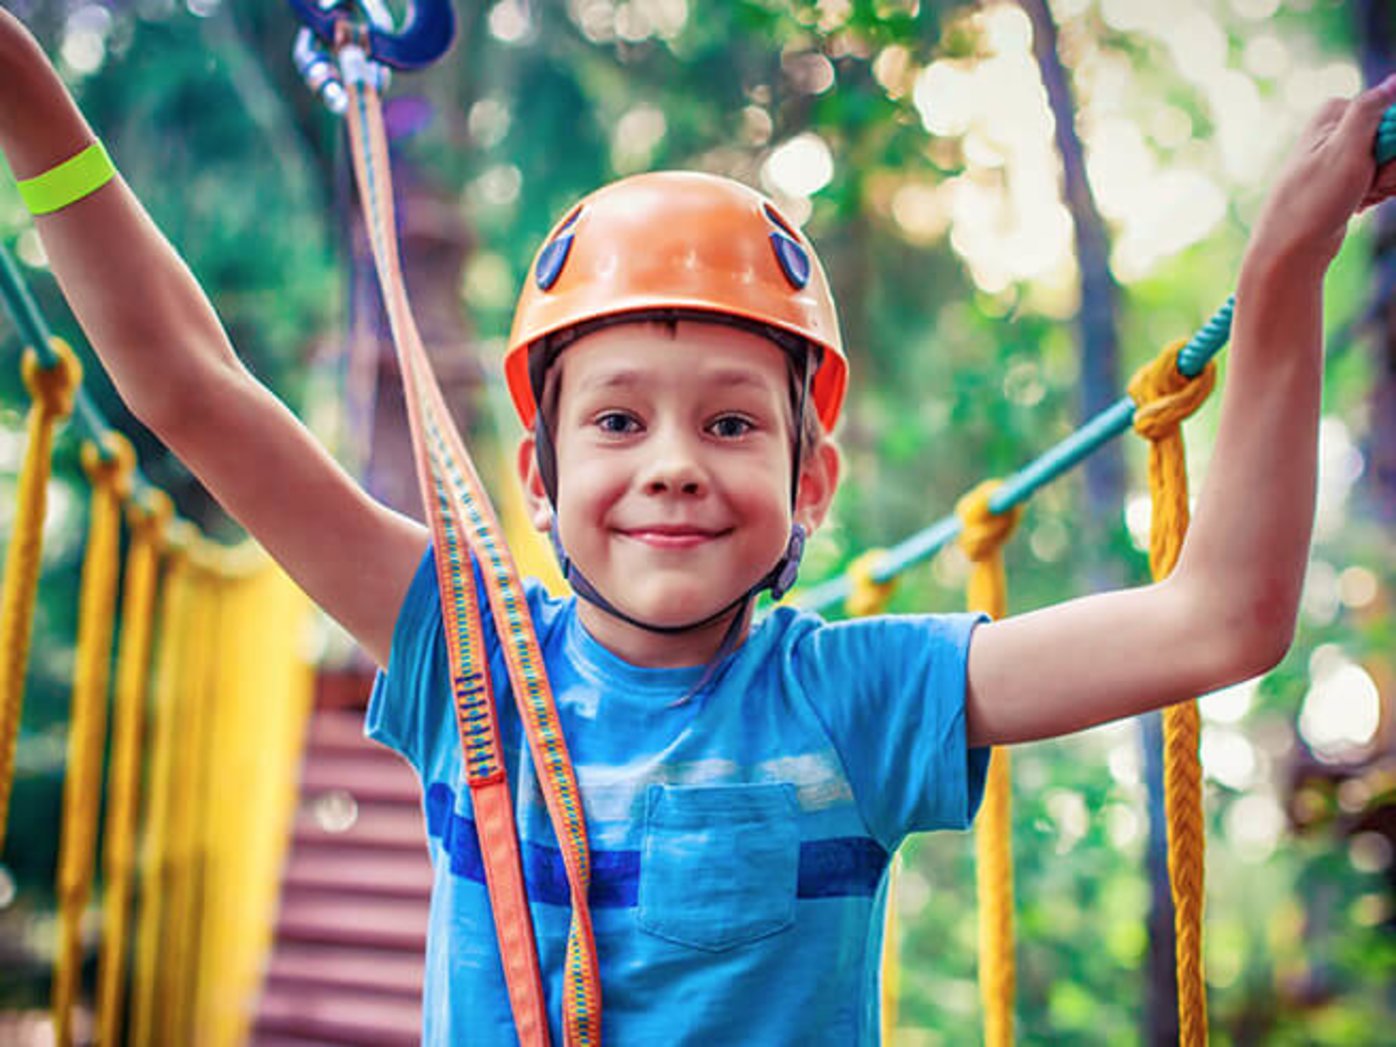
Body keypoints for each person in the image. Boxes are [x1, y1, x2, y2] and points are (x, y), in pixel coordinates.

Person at [4, 9, 1395, 1043]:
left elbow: (1223, 619)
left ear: (813, 485)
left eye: (731, 423)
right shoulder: (464, 654)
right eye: (617, 421)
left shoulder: (863, 698)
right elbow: (191, 388)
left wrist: (1283, 267)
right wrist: (26, 106)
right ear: (537, 480)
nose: (673, 464)